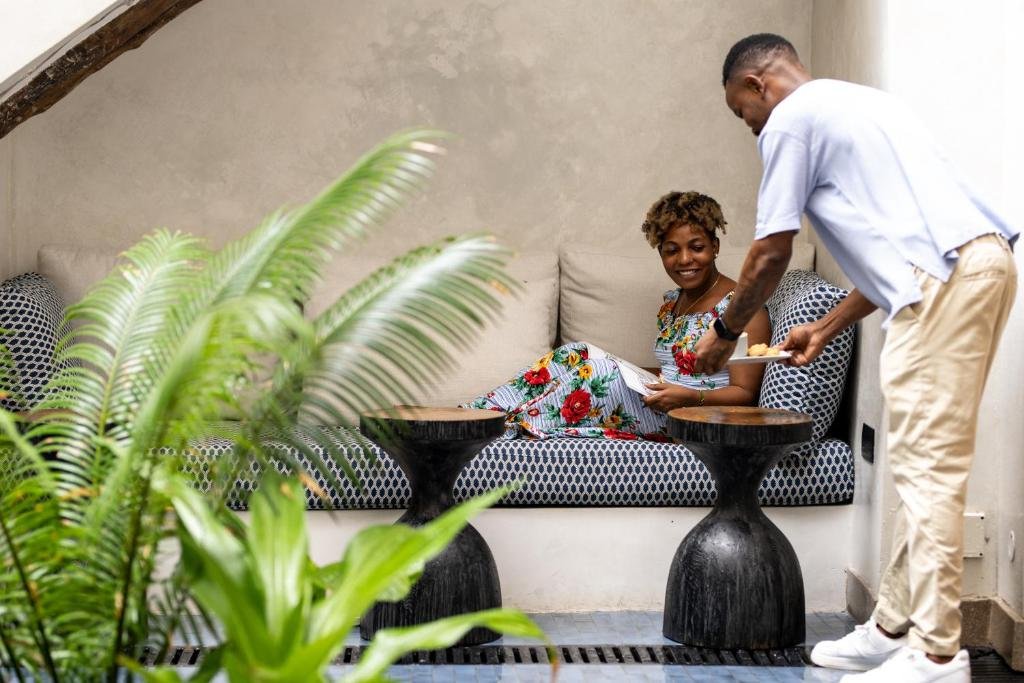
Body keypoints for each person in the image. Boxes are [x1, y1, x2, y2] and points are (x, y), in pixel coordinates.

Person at [694, 33, 1019, 683]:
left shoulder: (789, 120)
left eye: (741, 111)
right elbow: (904, 239)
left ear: (758, 85)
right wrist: (826, 325)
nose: (748, 125)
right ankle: (893, 625)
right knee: (921, 463)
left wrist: (724, 332)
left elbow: (771, 250)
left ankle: (936, 653)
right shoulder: (866, 105)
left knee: (929, 469)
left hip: (940, 283)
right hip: (978, 263)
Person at [463, 191, 770, 439]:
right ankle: (474, 414)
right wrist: (628, 371)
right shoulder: (675, 301)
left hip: (693, 418)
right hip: (664, 401)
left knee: (599, 375)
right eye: (671, 250)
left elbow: (745, 393)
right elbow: (675, 369)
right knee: (576, 352)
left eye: (697, 247)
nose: (685, 259)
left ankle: (503, 428)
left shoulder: (741, 309)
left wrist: (689, 397)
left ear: (715, 246)